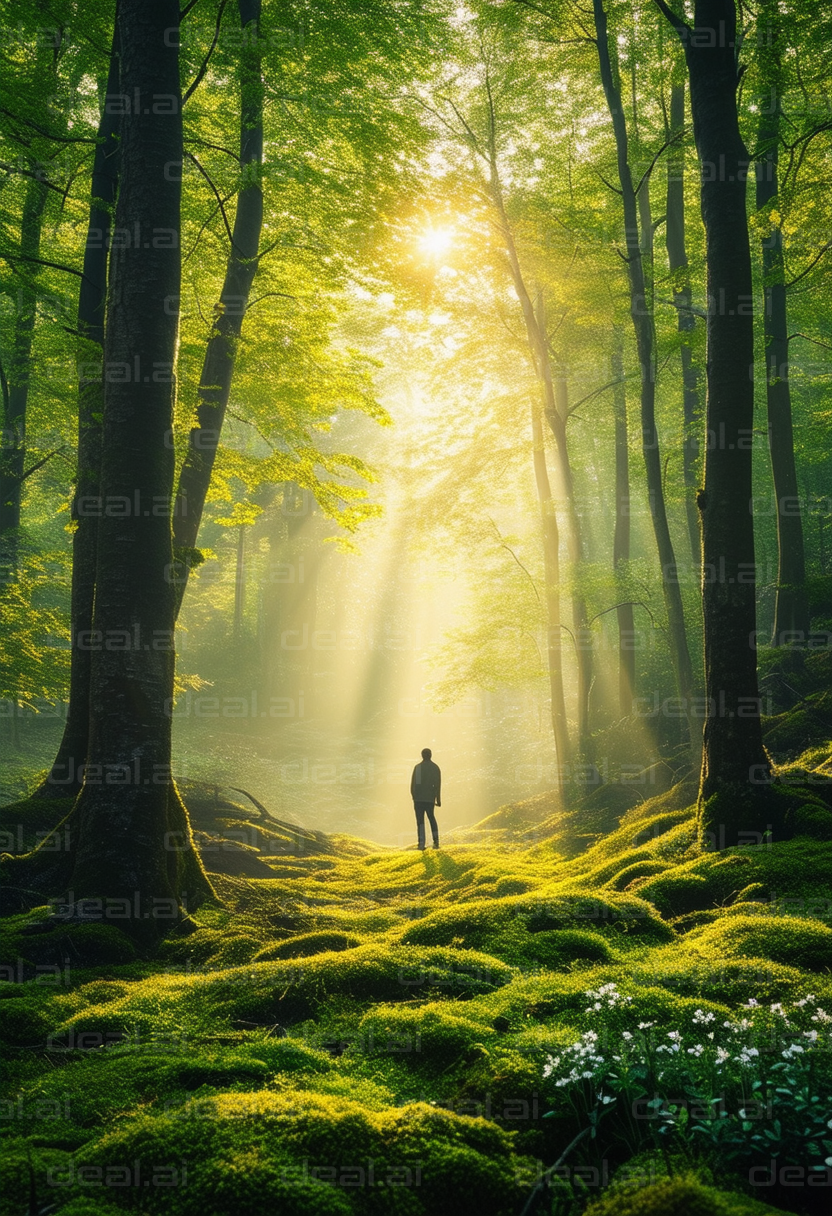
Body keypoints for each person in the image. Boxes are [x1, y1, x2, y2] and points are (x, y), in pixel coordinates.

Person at [411, 747, 440, 850]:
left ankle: (421, 843)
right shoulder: (435, 767)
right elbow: (437, 784)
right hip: (429, 798)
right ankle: (436, 842)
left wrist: (414, 796)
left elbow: (415, 784)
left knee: (420, 821)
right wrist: (438, 799)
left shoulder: (418, 767)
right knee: (431, 819)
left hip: (419, 798)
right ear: (430, 755)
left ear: (422, 755)